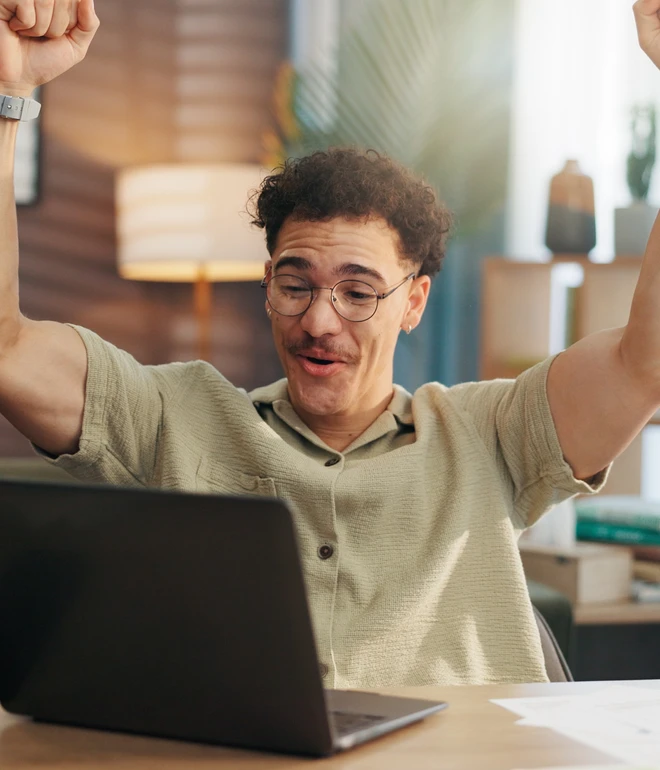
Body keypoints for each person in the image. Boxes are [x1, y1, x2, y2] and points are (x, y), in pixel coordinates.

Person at [1, 0, 660, 688]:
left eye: (357, 290)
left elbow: (646, 361)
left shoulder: (493, 436)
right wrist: (10, 93)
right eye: (296, 284)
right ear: (266, 287)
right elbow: (7, 351)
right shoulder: (174, 419)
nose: (319, 320)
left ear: (414, 301)